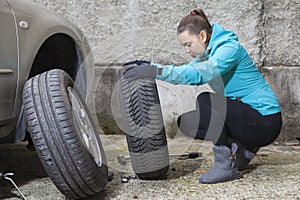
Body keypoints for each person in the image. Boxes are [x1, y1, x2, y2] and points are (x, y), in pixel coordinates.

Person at [123, 8, 282, 184]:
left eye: (188, 44)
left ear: (203, 36)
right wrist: (149, 65)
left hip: (266, 121)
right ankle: (243, 149)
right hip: (246, 116)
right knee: (186, 122)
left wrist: (154, 71)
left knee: (205, 100)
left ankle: (225, 165)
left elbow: (196, 75)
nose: (187, 50)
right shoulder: (208, 54)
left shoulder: (229, 49)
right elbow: (188, 70)